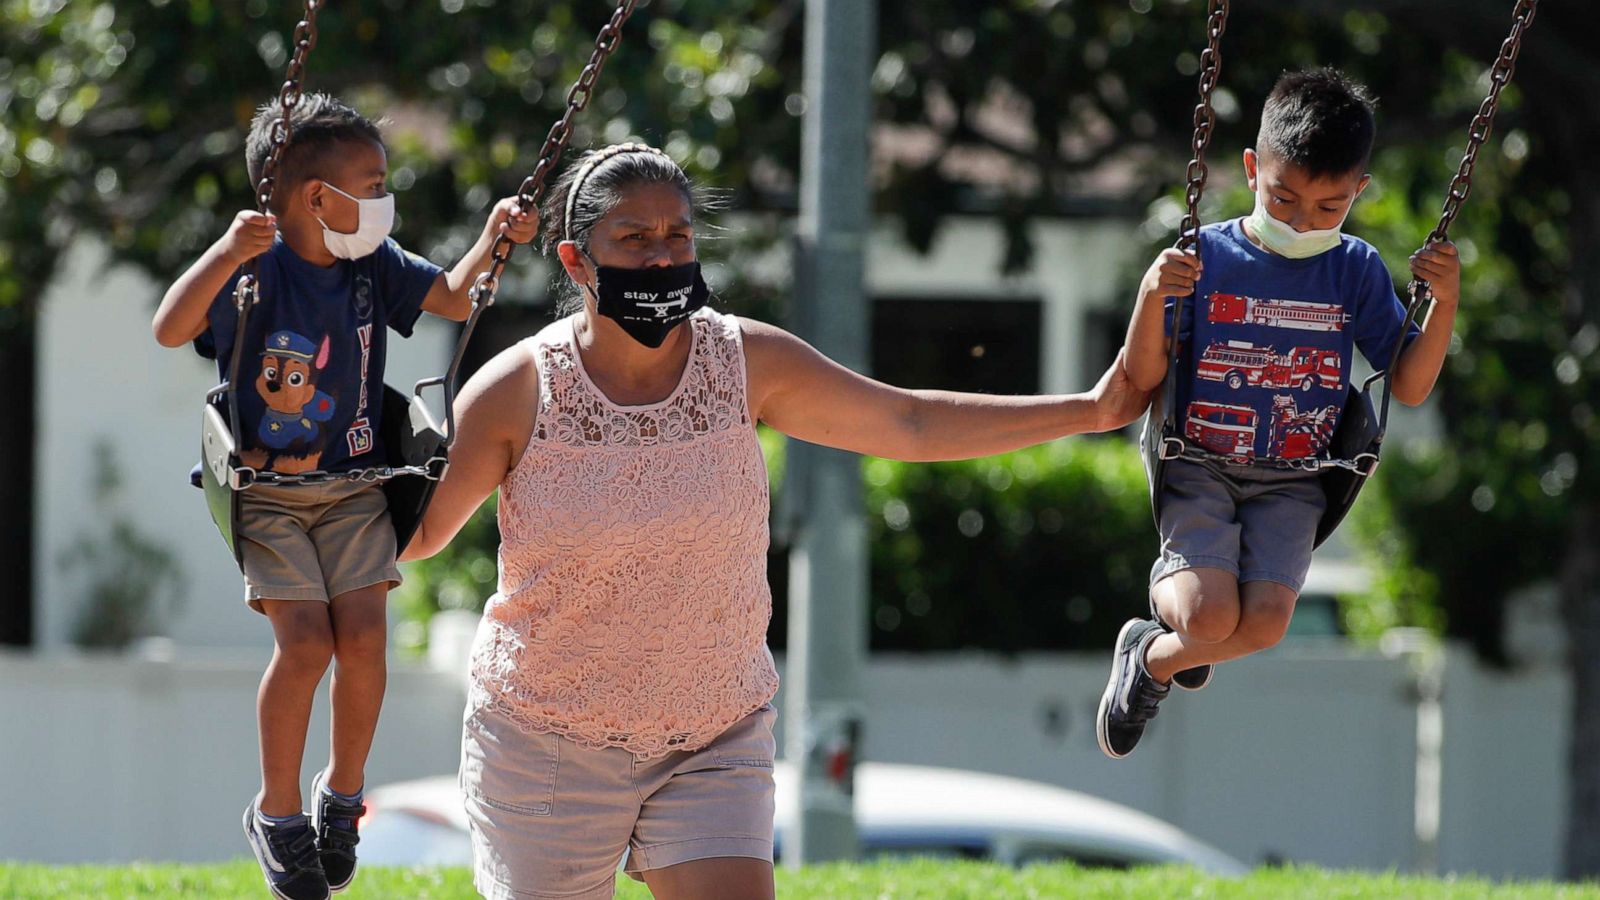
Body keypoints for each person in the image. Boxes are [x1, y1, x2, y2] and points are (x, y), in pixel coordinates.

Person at [399, 141, 1151, 900]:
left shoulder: (743, 361)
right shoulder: (518, 391)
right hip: (545, 739)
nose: (663, 257)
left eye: (679, 236)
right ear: (575, 260)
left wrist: (1094, 409)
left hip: (712, 733)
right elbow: (419, 536)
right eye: (633, 238)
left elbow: (909, 424)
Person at [151, 93, 537, 900]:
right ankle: (279, 812)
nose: (384, 199)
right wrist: (225, 252)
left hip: (357, 485)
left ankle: (343, 794)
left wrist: (494, 239)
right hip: (268, 493)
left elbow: (458, 299)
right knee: (305, 646)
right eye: (373, 182)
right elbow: (169, 326)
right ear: (315, 197)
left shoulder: (375, 265)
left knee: (363, 639)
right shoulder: (252, 270)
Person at [1097, 68, 1461, 760]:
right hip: (1199, 462)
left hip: (1295, 476)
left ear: (1359, 192)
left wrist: (1443, 303)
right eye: (1283, 197)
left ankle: (1152, 660)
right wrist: (1152, 293)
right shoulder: (1206, 257)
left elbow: (1409, 385)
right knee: (1209, 616)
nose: (1301, 222)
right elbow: (1143, 378)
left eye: (1328, 208)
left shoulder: (1352, 269)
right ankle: (1174, 624)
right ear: (1250, 170)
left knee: (1261, 625)